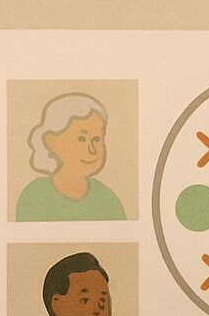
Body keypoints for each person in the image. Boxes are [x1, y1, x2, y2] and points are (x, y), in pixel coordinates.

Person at [15, 93, 127, 222]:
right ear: (51, 142)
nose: (91, 150)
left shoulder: (108, 200)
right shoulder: (33, 196)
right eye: (81, 139)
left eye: (96, 139)